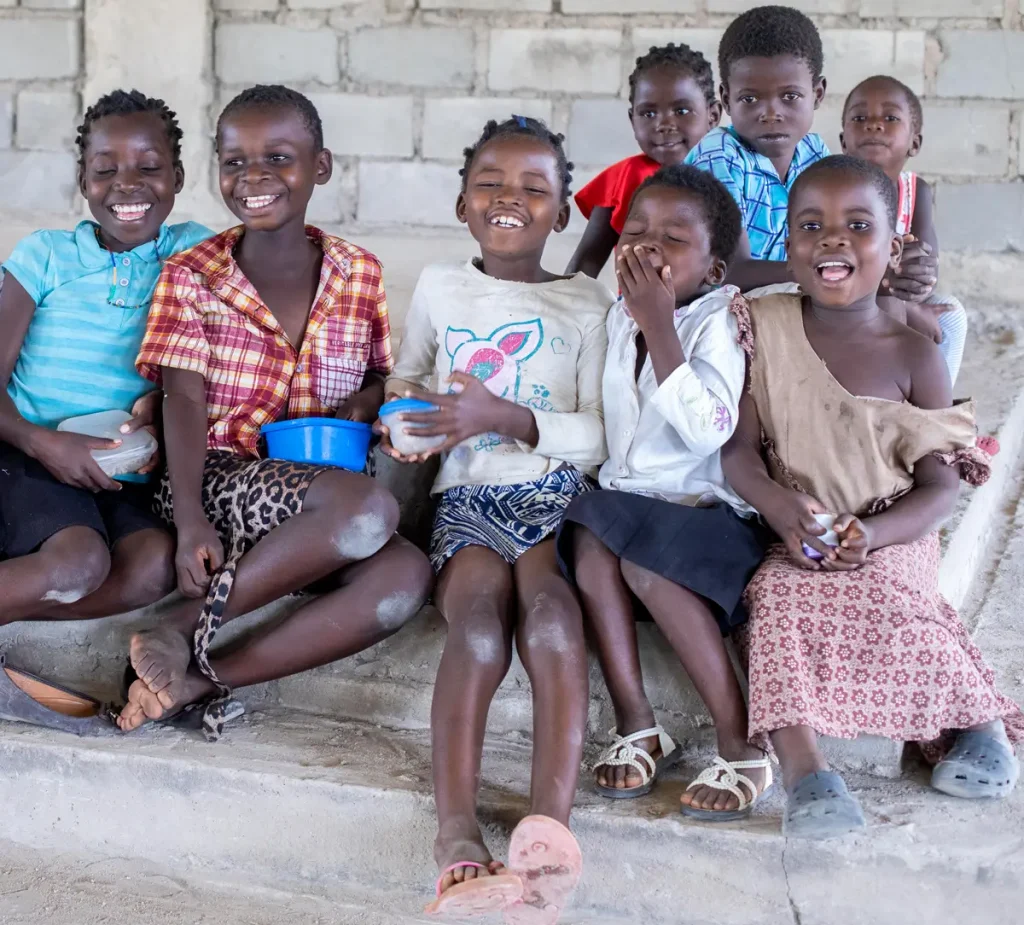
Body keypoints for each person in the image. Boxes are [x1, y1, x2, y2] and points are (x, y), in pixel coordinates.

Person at [722, 155, 1022, 841]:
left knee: (901, 604)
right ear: (788, 245)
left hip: (894, 528)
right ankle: (805, 772)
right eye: (811, 225)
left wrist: (875, 537)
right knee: (772, 601)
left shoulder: (916, 352)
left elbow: (941, 487)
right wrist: (774, 504)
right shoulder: (762, 328)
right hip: (799, 525)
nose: (833, 239)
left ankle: (976, 726)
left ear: (893, 249)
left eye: (858, 225)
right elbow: (737, 451)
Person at [119, 85, 433, 738]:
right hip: (212, 479)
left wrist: (365, 401)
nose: (254, 177)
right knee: (369, 508)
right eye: (235, 162)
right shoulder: (193, 274)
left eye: (278, 157)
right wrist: (191, 519)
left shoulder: (359, 272)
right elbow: (182, 397)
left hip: (312, 494)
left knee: (405, 574)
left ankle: (196, 678)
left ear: (320, 165)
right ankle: (179, 623)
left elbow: (378, 373)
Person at [378, 116, 614, 922]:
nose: (509, 199)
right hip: (468, 500)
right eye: (490, 183)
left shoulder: (588, 302)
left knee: (550, 619)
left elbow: (601, 431)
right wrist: (404, 424)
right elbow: (406, 382)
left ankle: (548, 833)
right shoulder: (443, 287)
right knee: (477, 627)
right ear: (461, 201)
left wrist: (507, 416)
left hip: (554, 496)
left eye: (534, 189)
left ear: (563, 214)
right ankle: (456, 838)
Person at [556, 164, 776, 820]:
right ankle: (639, 721)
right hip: (634, 504)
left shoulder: (716, 321)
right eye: (638, 230)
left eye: (673, 238)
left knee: (642, 565)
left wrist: (661, 328)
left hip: (708, 516)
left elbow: (711, 428)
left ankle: (742, 743)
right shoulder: (617, 320)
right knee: (592, 540)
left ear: (712, 269)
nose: (648, 247)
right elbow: (609, 430)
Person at [0, 90, 210, 635]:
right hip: (26, 452)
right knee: (78, 563)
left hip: (118, 472)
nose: (128, 184)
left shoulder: (195, 255)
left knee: (151, 567)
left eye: (150, 167)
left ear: (179, 176)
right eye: (106, 169)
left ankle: (11, 614)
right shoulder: (45, 255)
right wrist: (44, 443)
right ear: (82, 178)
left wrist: (161, 405)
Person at [685, 5, 829, 291]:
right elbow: (730, 272)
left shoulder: (815, 154)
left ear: (817, 94)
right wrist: (830, 270)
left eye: (790, 96)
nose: (771, 113)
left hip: (786, 293)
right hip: (712, 308)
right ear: (726, 99)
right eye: (750, 99)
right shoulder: (720, 157)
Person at [841, 74, 968, 384]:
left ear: (915, 142)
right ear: (843, 141)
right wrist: (908, 310)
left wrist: (913, 294)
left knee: (950, 313)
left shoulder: (916, 191)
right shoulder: (835, 188)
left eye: (890, 117)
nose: (873, 124)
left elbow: (926, 263)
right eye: (859, 117)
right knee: (889, 309)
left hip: (897, 291)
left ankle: (936, 408)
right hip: (844, 292)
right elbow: (846, 265)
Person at [567, 43, 722, 279]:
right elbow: (587, 260)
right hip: (635, 312)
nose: (664, 124)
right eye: (648, 114)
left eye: (681, 111)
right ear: (632, 119)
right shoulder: (623, 178)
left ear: (713, 115)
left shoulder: (730, 173)